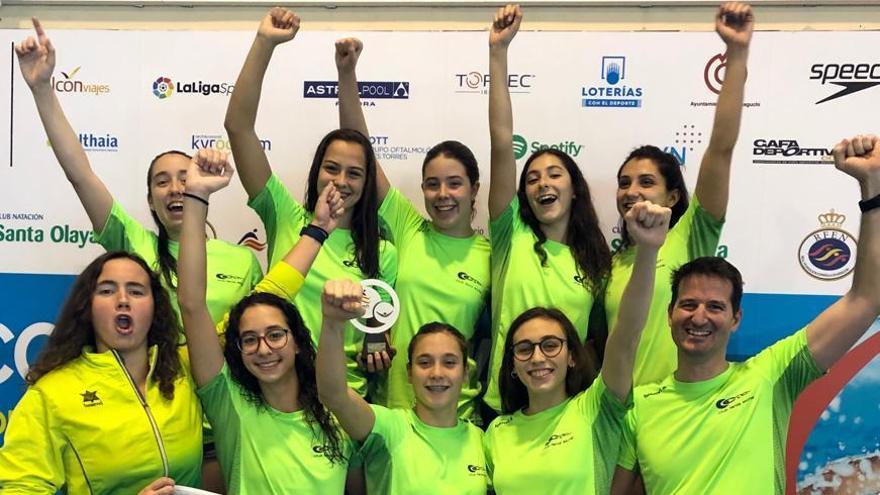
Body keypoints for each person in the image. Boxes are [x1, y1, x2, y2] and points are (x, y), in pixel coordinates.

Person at [610, 136, 880, 494]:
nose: (699, 317)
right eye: (688, 304)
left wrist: (872, 189)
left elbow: (865, 299)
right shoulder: (639, 407)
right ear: (670, 313)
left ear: (736, 318)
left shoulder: (770, 376)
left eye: (715, 306)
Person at [14, 17, 262, 326]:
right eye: (162, 181)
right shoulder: (134, 245)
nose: (175, 189)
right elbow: (80, 174)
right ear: (150, 200)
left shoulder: (243, 261)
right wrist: (41, 89)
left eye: (186, 179)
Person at [224, 7, 397, 398]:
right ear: (316, 171)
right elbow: (239, 127)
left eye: (354, 173)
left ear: (368, 183)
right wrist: (264, 43)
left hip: (348, 401)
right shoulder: (285, 214)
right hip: (279, 397)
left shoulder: (382, 252)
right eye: (331, 168)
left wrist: (378, 345)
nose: (340, 181)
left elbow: (379, 331)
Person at [177, 149, 362, 494]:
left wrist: (320, 229)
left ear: (296, 341)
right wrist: (197, 195)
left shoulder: (338, 414)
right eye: (249, 339)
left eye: (275, 335)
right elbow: (191, 304)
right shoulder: (229, 403)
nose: (263, 349)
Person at [335, 37, 491, 419]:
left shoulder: (493, 255)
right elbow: (362, 152)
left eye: (454, 183)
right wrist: (346, 74)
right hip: (394, 407)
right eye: (432, 184)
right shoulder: (408, 227)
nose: (443, 194)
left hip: (459, 413)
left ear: (474, 190)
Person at [604, 1, 753, 387]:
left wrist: (736, 55)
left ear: (672, 198)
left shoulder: (691, 237)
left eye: (646, 182)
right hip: (618, 417)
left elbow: (720, 148)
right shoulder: (613, 263)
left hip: (676, 408)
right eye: (624, 183)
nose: (632, 192)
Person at [483, 200, 671, 495]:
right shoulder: (496, 433)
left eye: (550, 345)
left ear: (571, 356)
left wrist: (647, 250)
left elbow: (628, 332)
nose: (537, 357)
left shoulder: (597, 408)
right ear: (512, 366)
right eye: (524, 349)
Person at [485, 4, 611, 413]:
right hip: (503, 402)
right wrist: (498, 53)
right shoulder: (511, 237)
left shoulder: (596, 262)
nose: (543, 182)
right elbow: (502, 142)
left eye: (555, 174)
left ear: (575, 190)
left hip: (568, 405)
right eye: (533, 177)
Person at [0, 252, 202, 494]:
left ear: (155, 307)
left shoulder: (186, 369)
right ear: (88, 307)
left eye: (136, 291)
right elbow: (19, 488)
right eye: (107, 291)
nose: (123, 299)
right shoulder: (52, 393)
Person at [316, 283, 488, 494]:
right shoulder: (389, 428)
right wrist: (333, 322)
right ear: (409, 373)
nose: (436, 373)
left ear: (464, 374)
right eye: (424, 363)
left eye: (449, 362)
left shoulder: (480, 440)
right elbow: (334, 394)